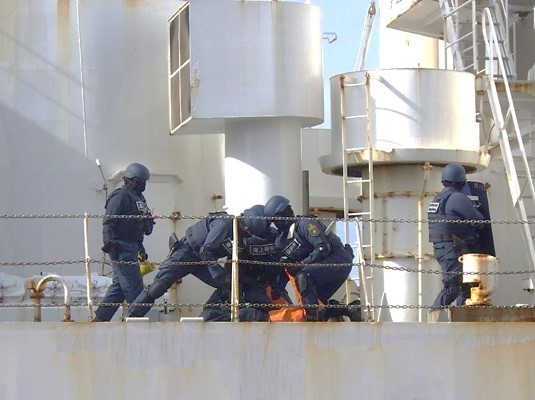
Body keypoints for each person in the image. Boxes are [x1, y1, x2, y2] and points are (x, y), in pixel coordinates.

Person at [124, 211, 233, 318]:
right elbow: (205, 250)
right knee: (158, 286)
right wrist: (220, 274)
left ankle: (210, 317)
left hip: (205, 261)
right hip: (187, 251)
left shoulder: (240, 237)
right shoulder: (224, 224)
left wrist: (226, 279)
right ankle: (132, 317)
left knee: (228, 286)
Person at [264, 195, 355, 321]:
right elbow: (286, 267)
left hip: (338, 260)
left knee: (303, 276)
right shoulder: (282, 241)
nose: (276, 224)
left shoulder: (305, 224)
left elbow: (323, 248)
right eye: (274, 221)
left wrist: (302, 264)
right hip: (318, 269)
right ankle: (349, 310)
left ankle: (311, 317)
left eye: (277, 219)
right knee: (314, 299)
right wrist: (277, 288)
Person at [201, 205, 289, 322]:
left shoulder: (246, 240)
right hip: (250, 287)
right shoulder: (272, 238)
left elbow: (282, 266)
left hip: (265, 288)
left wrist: (277, 287)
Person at [93, 162, 155, 322]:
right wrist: (108, 240)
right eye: (142, 181)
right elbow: (109, 221)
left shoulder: (139, 198)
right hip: (120, 246)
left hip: (133, 246)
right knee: (134, 286)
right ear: (133, 180)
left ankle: (100, 319)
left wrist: (140, 249)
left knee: (119, 288)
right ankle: (137, 320)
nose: (144, 185)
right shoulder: (120, 196)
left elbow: (139, 227)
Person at [428, 163, 485, 308]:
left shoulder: (438, 199)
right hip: (452, 249)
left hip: (442, 248)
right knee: (452, 289)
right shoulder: (457, 198)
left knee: (465, 288)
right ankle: (433, 318)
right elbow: (479, 220)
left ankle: (462, 317)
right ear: (461, 182)